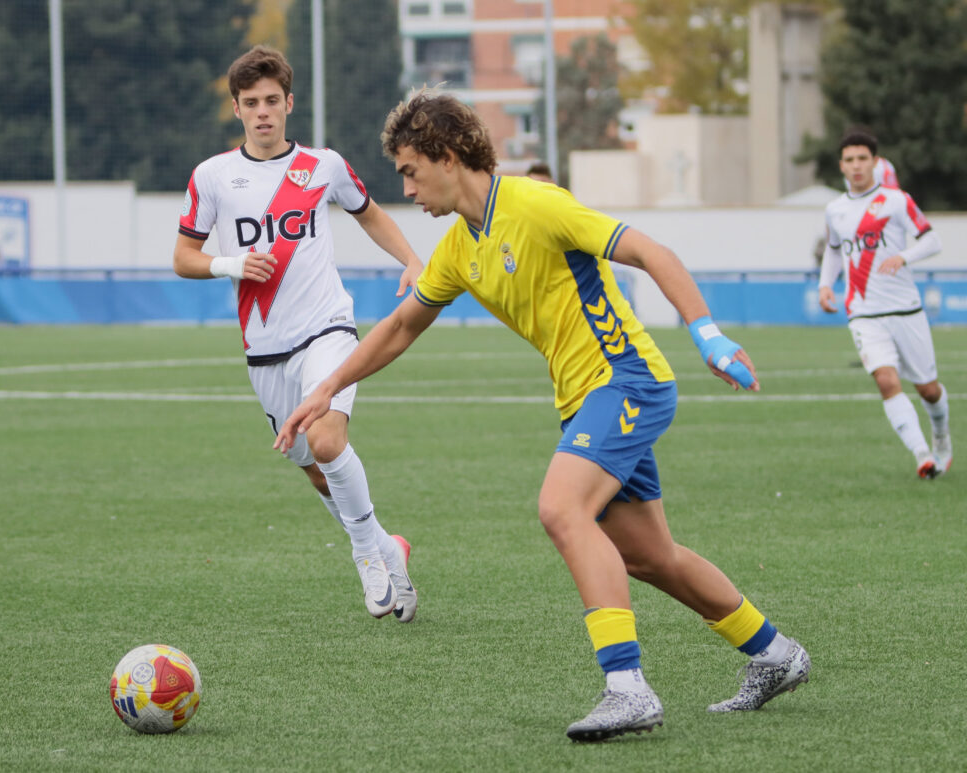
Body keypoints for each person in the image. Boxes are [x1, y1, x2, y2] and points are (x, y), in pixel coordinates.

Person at [274, 89, 810, 741]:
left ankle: (627, 687)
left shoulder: (535, 203)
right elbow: (400, 326)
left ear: (446, 156)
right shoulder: (457, 248)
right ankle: (775, 654)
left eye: (410, 171)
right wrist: (327, 386)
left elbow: (651, 252)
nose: (407, 188)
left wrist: (707, 334)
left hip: (626, 379)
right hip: (585, 399)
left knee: (561, 508)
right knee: (650, 555)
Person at [173, 45, 423, 622]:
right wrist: (229, 264)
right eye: (250, 103)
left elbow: (370, 213)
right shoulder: (212, 176)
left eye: (271, 101)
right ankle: (389, 546)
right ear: (236, 108)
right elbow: (184, 256)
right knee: (313, 468)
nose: (263, 112)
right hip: (263, 349)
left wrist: (411, 259)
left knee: (330, 441)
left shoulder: (323, 166)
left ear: (289, 103)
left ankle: (365, 554)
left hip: (326, 329)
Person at [819, 130, 952, 478]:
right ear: (841, 166)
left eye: (863, 158)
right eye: (849, 160)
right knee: (887, 382)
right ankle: (923, 455)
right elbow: (833, 250)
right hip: (863, 313)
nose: (857, 165)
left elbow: (932, 239)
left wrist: (903, 257)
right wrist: (824, 285)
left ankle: (941, 439)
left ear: (876, 163)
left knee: (928, 389)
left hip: (905, 309)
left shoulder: (895, 200)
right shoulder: (835, 210)